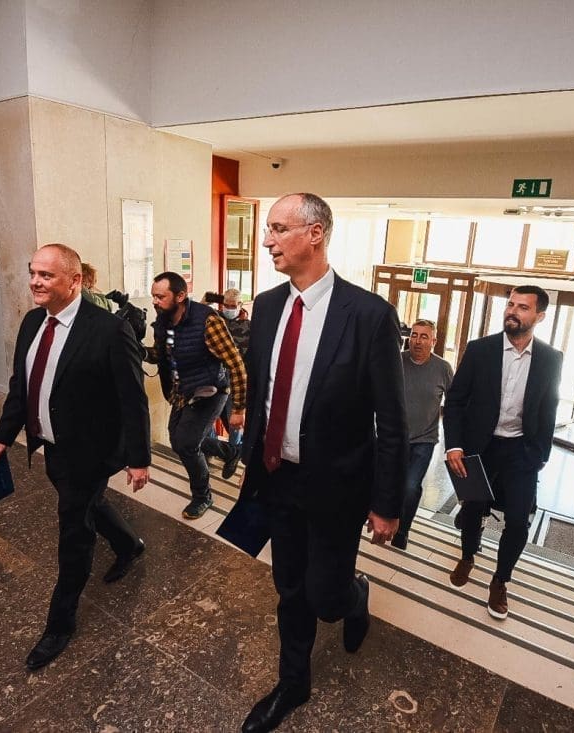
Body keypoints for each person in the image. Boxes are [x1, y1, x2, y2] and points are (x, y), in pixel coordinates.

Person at [237, 193, 407, 732]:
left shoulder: (369, 316)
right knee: (290, 589)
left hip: (337, 486)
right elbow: (264, 389)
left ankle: (355, 596)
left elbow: (392, 421)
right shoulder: (267, 306)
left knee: (325, 598)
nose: (267, 240)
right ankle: (293, 683)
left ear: (315, 234)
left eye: (278, 228)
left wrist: (386, 503)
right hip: (278, 478)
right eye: (268, 229)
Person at [0, 243, 151, 670]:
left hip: (89, 453)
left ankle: (60, 624)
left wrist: (139, 458)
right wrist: (3, 436)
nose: (35, 282)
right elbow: (22, 386)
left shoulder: (109, 330)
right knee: (88, 503)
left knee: (74, 531)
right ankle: (129, 545)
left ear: (74, 281)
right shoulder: (32, 322)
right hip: (51, 446)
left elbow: (133, 400)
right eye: (32, 273)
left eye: (46, 275)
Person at [442, 285, 562, 620]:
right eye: (510, 304)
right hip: (479, 447)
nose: (512, 311)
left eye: (523, 307)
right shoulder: (480, 350)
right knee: (472, 507)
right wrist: (454, 445)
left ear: (539, 316)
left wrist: (540, 454)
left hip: (521, 451)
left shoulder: (551, 359)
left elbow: (549, 407)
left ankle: (500, 580)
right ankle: (467, 556)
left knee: (519, 522)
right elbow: (455, 400)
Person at [150, 272, 246, 519]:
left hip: (210, 392)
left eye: (160, 296)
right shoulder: (164, 320)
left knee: (187, 443)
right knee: (177, 441)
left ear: (180, 296)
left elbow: (236, 365)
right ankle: (229, 452)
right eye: (153, 296)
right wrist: (135, 349)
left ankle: (203, 496)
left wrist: (238, 409)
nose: (155, 301)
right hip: (183, 392)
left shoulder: (208, 322)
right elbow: (162, 355)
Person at [393, 319, 453, 550]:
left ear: (433, 341)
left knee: (410, 486)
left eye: (424, 336)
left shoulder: (443, 368)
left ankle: (403, 531)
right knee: (389, 482)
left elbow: (454, 403)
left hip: (424, 440)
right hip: (394, 437)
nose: (417, 341)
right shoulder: (397, 361)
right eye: (414, 335)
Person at [200, 287, 251, 480]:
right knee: (208, 417)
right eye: (226, 305)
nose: (229, 308)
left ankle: (234, 451)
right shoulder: (215, 318)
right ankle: (213, 450)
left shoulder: (248, 326)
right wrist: (204, 302)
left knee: (233, 420)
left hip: (234, 379)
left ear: (240, 305)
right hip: (212, 377)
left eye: (233, 305)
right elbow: (194, 317)